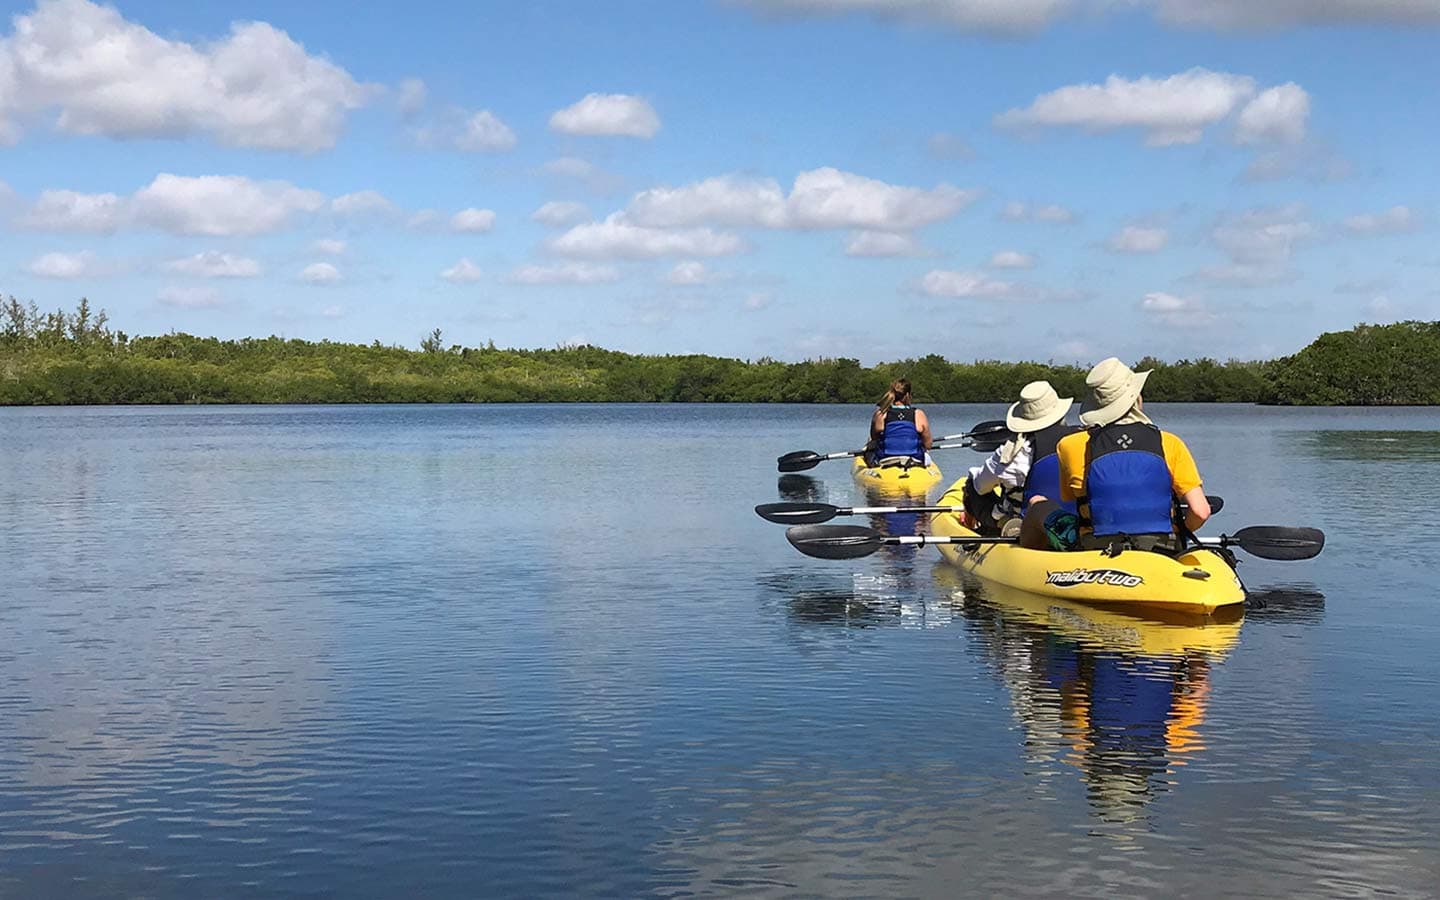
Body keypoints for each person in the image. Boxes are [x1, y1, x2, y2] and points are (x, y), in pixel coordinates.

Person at [1039, 357, 1211, 552]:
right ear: (1137, 397)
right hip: (1160, 548)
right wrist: (1180, 530)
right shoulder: (1170, 443)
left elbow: (1069, 500)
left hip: (1094, 548)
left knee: (1041, 506)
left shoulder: (1069, 445)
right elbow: (1201, 512)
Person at [961, 381, 1080, 549]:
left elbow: (980, 486)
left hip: (1026, 526)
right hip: (1075, 521)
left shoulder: (1012, 452)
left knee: (971, 485)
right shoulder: (1082, 441)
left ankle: (976, 529)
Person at [866, 378, 931, 467]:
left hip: (886, 457)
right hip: (913, 457)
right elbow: (928, 444)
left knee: (870, 446)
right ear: (907, 395)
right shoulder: (918, 414)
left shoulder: (881, 413)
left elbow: (874, 437)